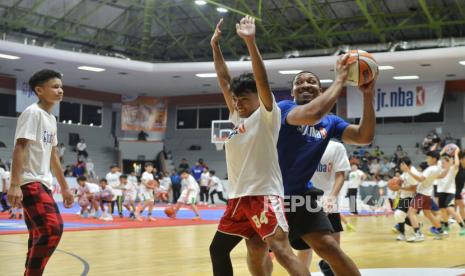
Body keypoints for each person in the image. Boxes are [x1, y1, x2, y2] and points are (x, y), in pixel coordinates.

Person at [209, 17, 309, 276]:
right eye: (235, 100)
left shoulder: (267, 115)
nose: (238, 103)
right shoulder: (236, 117)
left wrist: (251, 43)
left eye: (243, 99)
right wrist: (215, 46)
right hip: (238, 199)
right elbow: (223, 79)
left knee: (282, 251)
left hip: (264, 195)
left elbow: (262, 81)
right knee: (222, 248)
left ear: (258, 98)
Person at [273, 51, 376, 274]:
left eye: (311, 82)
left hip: (302, 196)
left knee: (330, 248)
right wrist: (340, 79)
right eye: (299, 82)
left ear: (320, 90)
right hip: (271, 195)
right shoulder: (283, 109)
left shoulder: (330, 122)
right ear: (292, 92)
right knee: (270, 253)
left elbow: (364, 137)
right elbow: (313, 113)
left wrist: (367, 96)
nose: (305, 84)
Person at [7, 69, 74, 275]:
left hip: (43, 182)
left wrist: (65, 188)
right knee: (52, 229)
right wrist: (15, 184)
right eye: (55, 87)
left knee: (38, 234)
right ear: (39, 90)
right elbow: (19, 147)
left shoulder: (51, 119)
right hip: (29, 181)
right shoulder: (32, 113)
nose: (60, 90)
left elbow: (53, 156)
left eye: (61, 86)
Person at [296, 140, 351, 272]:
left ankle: (327, 268)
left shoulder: (336, 147)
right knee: (304, 249)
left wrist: (331, 197)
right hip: (304, 202)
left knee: (334, 251)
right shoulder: (300, 142)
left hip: (329, 203)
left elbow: (340, 175)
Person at [400, 151, 443, 241]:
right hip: (427, 194)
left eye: (428, 158)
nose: (426, 159)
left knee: (411, 213)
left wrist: (408, 171)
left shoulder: (430, 169)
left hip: (422, 194)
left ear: (434, 159)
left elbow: (420, 179)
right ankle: (440, 231)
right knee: (428, 214)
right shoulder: (438, 168)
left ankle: (418, 234)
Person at [436, 147, 465, 235]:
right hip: (440, 192)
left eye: (446, 161)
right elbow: (437, 157)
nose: (444, 162)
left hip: (450, 192)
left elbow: (456, 164)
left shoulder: (453, 169)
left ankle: (462, 226)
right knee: (443, 210)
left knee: (451, 209)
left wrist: (456, 153)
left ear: (450, 162)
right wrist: (444, 150)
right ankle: (446, 225)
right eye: (443, 161)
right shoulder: (438, 168)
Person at [393, 157, 418, 241]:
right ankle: (416, 227)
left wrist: (400, 188)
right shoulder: (405, 172)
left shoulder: (412, 173)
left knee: (399, 214)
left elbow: (414, 189)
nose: (399, 166)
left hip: (411, 197)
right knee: (401, 215)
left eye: (400, 164)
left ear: (404, 164)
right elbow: (402, 180)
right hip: (404, 196)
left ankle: (407, 233)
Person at [456, 151, 465, 221]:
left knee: (461, 206)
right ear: (461, 159)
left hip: (458, 191)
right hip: (451, 191)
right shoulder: (457, 167)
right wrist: (456, 152)